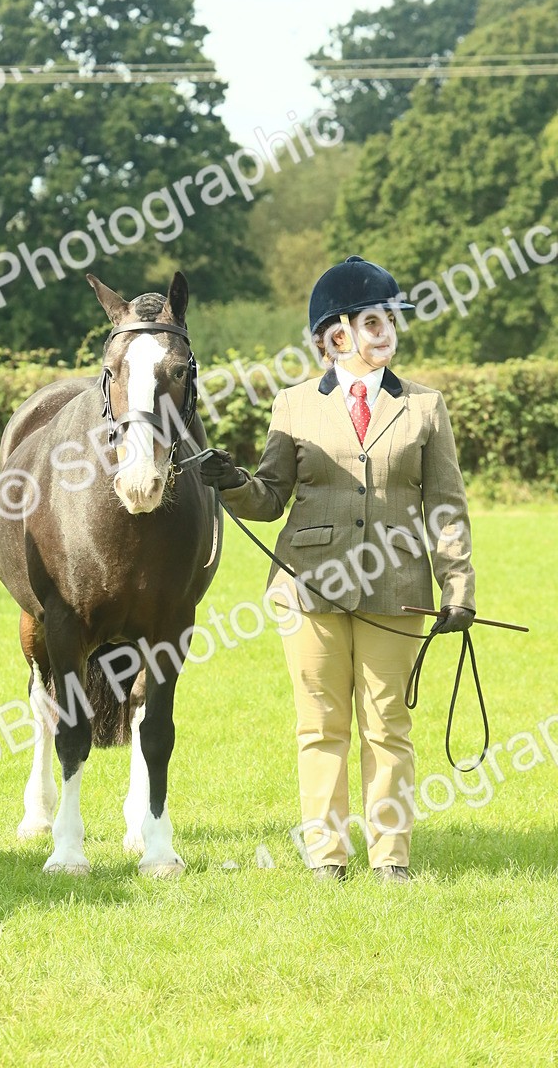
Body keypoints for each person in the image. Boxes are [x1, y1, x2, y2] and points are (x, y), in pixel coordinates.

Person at [201, 255, 476, 884]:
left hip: (398, 586)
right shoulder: (294, 405)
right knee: (320, 726)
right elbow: (270, 498)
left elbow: (448, 506)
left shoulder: (426, 408)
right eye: (373, 322)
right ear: (337, 333)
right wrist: (231, 483)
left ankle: (392, 858)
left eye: (391, 322)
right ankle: (327, 856)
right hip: (307, 586)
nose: (387, 333)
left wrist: (458, 585)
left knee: (388, 725)